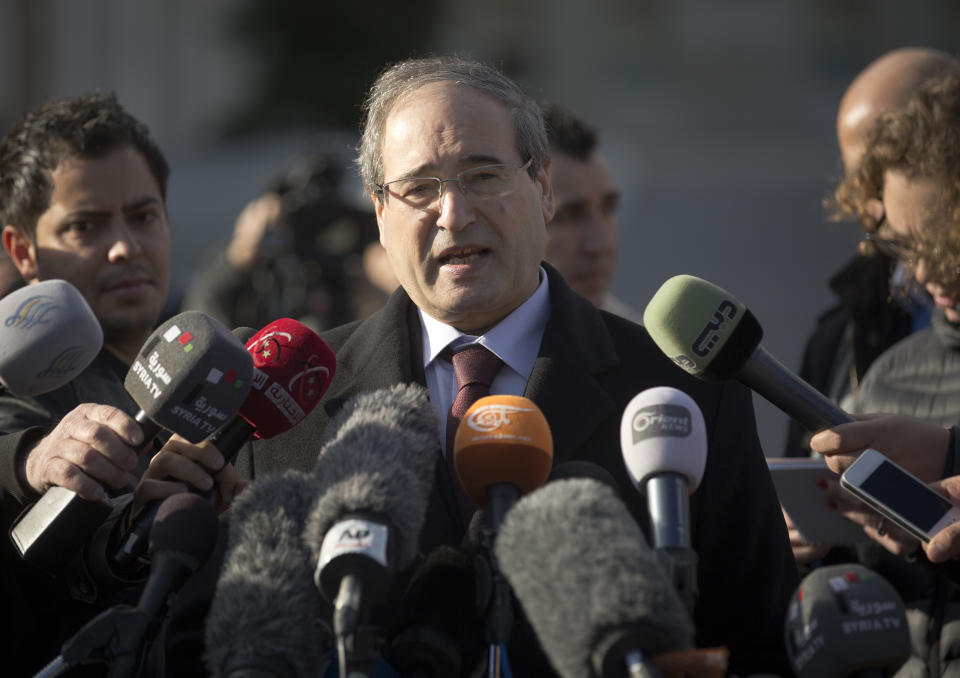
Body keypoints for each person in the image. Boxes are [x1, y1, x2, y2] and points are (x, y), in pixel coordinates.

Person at [159, 55, 798, 677]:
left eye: (483, 176)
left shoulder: (678, 389)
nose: (454, 214)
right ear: (379, 214)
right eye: (418, 189)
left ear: (542, 189)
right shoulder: (287, 409)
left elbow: (758, 644)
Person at [0, 93, 231, 675]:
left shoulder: (220, 369)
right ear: (22, 251)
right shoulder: (19, 385)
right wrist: (37, 457)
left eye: (144, 215)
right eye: (86, 226)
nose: (126, 245)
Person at [805, 71, 960, 678]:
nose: (925, 277)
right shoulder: (890, 370)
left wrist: (948, 453)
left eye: (947, 247)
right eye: (905, 248)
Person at [181, 152, 396, 333]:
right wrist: (238, 256)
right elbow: (201, 320)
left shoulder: (365, 283)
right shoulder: (265, 277)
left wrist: (392, 304)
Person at [541, 104, 641, 322]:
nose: (599, 244)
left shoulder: (646, 349)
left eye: (608, 209)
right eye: (570, 216)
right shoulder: (464, 350)